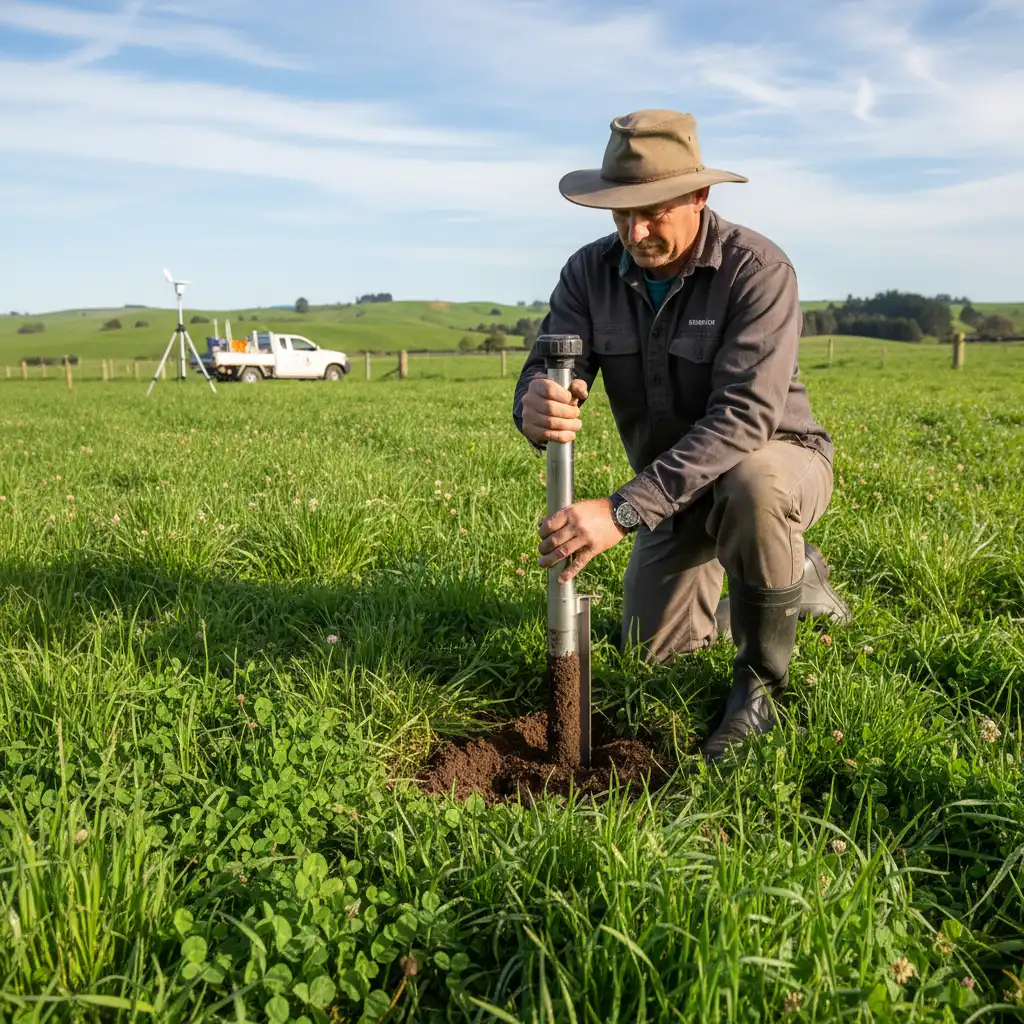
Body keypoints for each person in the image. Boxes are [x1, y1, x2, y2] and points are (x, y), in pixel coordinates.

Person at [512, 109, 850, 759]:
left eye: (653, 212)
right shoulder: (588, 273)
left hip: (775, 461)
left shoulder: (757, 270)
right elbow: (547, 363)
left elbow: (745, 418)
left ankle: (760, 689)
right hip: (673, 490)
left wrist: (620, 510)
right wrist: (534, 401)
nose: (635, 232)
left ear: (699, 196)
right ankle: (782, 577)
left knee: (753, 485)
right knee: (651, 654)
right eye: (621, 213)